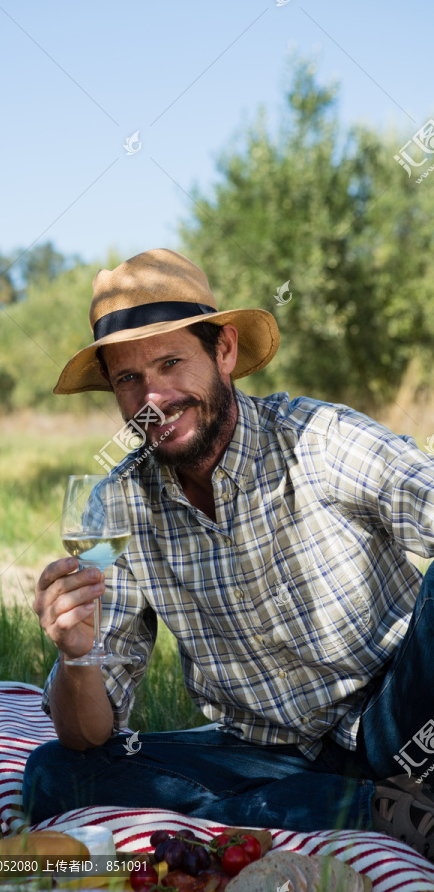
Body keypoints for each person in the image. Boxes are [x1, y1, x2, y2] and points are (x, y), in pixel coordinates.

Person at [23, 248, 434, 858]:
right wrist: (76, 654)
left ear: (225, 352)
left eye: (170, 363)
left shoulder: (320, 441)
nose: (152, 398)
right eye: (127, 379)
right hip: (265, 757)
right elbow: (91, 733)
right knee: (58, 774)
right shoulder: (117, 508)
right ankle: (374, 813)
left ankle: (338, 810)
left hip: (401, 723)